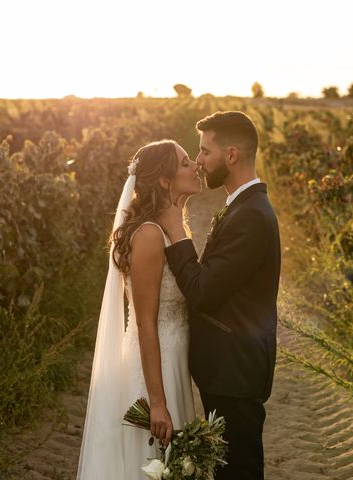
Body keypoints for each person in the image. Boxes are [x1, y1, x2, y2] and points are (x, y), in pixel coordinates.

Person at [158, 111, 281, 480]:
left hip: (236, 374)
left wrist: (175, 232)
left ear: (231, 156)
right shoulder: (243, 207)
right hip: (228, 373)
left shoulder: (252, 216)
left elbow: (202, 293)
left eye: (204, 151)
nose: (198, 161)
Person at [76, 139, 202, 479]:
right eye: (186, 162)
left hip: (173, 361)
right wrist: (157, 403)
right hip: (154, 369)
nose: (196, 167)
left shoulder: (172, 229)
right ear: (164, 180)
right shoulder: (149, 235)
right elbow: (146, 323)